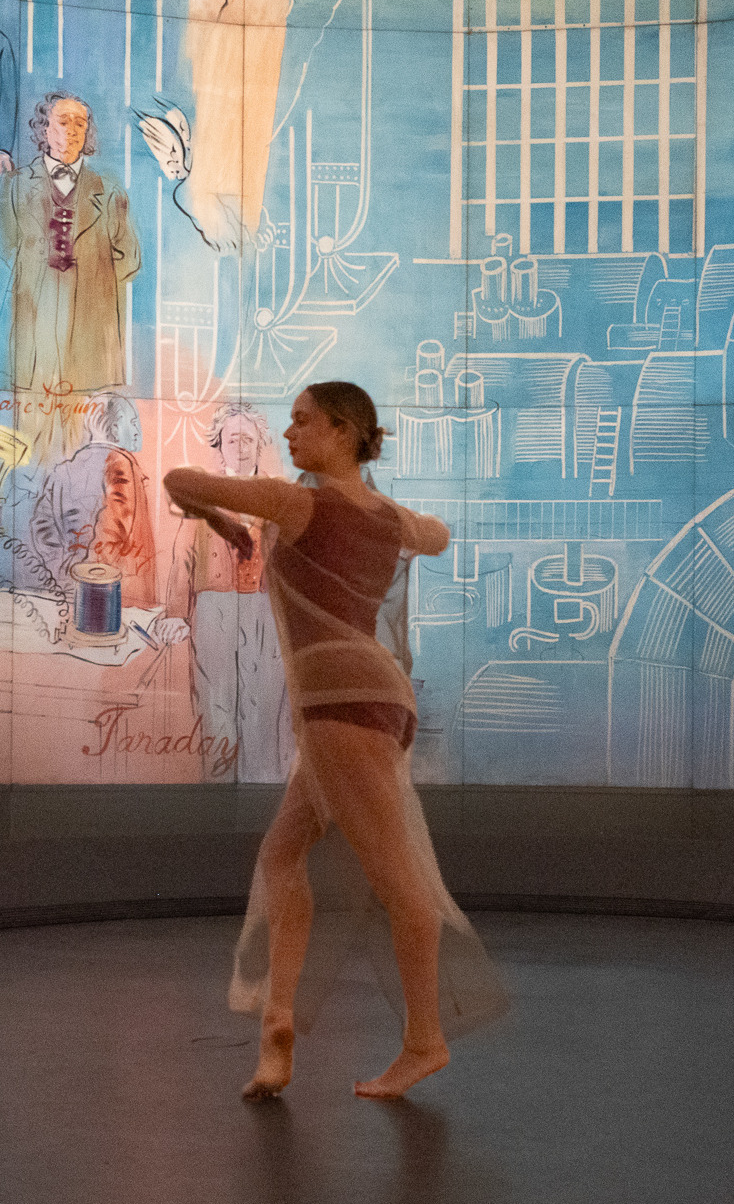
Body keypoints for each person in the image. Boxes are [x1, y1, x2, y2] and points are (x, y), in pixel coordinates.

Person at [164, 381, 506, 1100]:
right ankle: (277, 1024)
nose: (289, 434)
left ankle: (424, 1039)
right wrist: (396, 523)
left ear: (344, 431)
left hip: (338, 700)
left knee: (399, 879)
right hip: (371, 695)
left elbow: (178, 479)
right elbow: (436, 535)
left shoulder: (299, 504)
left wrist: (223, 519)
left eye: (302, 421)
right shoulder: (389, 518)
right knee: (283, 852)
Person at [0, 92, 141, 458]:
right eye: (64, 121)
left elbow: (129, 259)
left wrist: (91, 282)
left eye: (81, 124)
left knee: (84, 446)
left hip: (89, 340)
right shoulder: (14, 186)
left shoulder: (108, 191)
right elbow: (5, 247)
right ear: (43, 129)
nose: (74, 131)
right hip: (34, 339)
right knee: (33, 449)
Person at [161, 402, 293, 783]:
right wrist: (174, 613)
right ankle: (218, 795)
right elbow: (183, 556)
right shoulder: (202, 494)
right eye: (232, 438)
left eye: (248, 439)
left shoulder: (278, 496)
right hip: (213, 608)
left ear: (259, 444)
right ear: (218, 444)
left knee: (265, 708)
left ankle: (260, 794)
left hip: (266, 609)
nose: (240, 446)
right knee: (216, 706)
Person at [29, 391, 156, 607]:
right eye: (133, 423)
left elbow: (42, 528)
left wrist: (64, 570)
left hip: (70, 590)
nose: (137, 431)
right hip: (114, 596)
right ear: (115, 428)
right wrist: (93, 578)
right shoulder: (119, 465)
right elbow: (112, 529)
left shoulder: (63, 471)